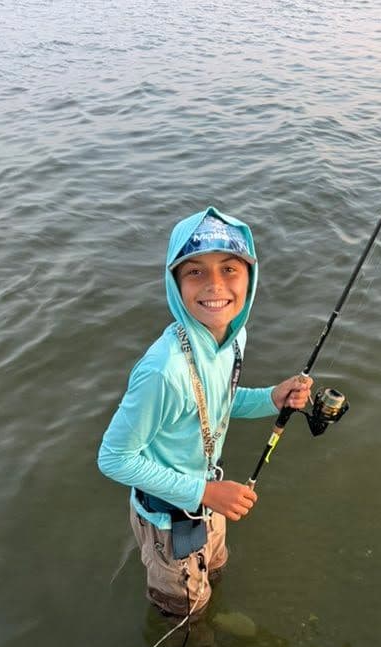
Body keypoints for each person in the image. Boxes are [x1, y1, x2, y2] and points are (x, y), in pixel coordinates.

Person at [97, 206, 312, 618]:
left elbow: (214, 404)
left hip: (208, 497)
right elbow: (113, 458)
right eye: (195, 271)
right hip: (168, 518)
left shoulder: (231, 336)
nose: (215, 286)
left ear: (250, 277)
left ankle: (210, 611)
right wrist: (204, 493)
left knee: (214, 571)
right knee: (182, 610)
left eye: (230, 269)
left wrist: (271, 398)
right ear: (174, 283)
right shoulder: (163, 371)